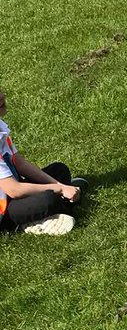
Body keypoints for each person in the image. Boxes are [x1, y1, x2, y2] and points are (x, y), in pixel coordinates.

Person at [0, 91, 85, 235]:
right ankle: (17, 225)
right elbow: (15, 190)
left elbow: (20, 164)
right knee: (48, 198)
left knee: (59, 170)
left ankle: (53, 209)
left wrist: (60, 185)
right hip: (5, 209)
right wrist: (60, 190)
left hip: (12, 191)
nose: (2, 96)